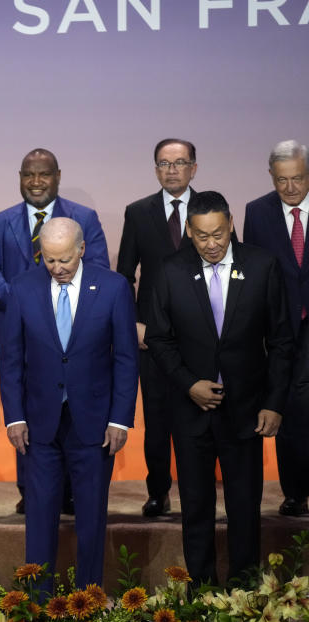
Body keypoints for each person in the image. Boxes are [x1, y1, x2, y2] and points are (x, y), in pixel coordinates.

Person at [147, 191, 293, 585]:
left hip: (246, 410)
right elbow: (159, 340)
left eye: (218, 234)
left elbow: (281, 341)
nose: (211, 244)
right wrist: (188, 383)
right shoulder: (171, 269)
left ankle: (244, 591)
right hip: (190, 409)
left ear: (230, 223)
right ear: (189, 234)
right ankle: (202, 592)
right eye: (201, 237)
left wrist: (274, 402)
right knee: (196, 506)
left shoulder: (263, 266)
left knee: (245, 506)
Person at [0, 217, 138, 595]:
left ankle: (89, 598)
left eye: (65, 260)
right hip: (39, 422)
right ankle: (39, 602)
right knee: (39, 517)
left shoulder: (113, 288)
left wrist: (120, 420)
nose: (57, 269)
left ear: (82, 250)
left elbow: (125, 358)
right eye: (49, 260)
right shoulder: (23, 288)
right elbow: (11, 359)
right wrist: (15, 417)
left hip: (94, 423)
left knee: (91, 517)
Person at [0, 147, 110, 514]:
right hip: (22, 335)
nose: (36, 182)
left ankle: (71, 489)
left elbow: (97, 266)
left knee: (73, 404)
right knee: (28, 408)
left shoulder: (84, 218)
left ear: (58, 176)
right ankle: (30, 490)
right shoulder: (1, 222)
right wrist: (25, 302)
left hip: (75, 334)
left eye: (44, 174)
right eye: (28, 174)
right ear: (20, 177)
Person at [116, 138, 200, 518]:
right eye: (164, 164)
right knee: (157, 420)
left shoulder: (209, 208)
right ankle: (158, 491)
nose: (172, 170)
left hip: (201, 336)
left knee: (198, 418)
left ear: (193, 168)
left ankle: (197, 493)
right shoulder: (138, 212)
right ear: (156, 170)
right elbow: (124, 275)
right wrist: (133, 322)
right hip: (152, 336)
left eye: (180, 163)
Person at [242, 140, 309, 517]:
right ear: (271, 176)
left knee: (300, 397)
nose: (290, 187)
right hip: (280, 322)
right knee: (284, 401)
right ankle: (295, 490)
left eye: (297, 178)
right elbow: (254, 269)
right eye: (282, 180)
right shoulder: (258, 211)